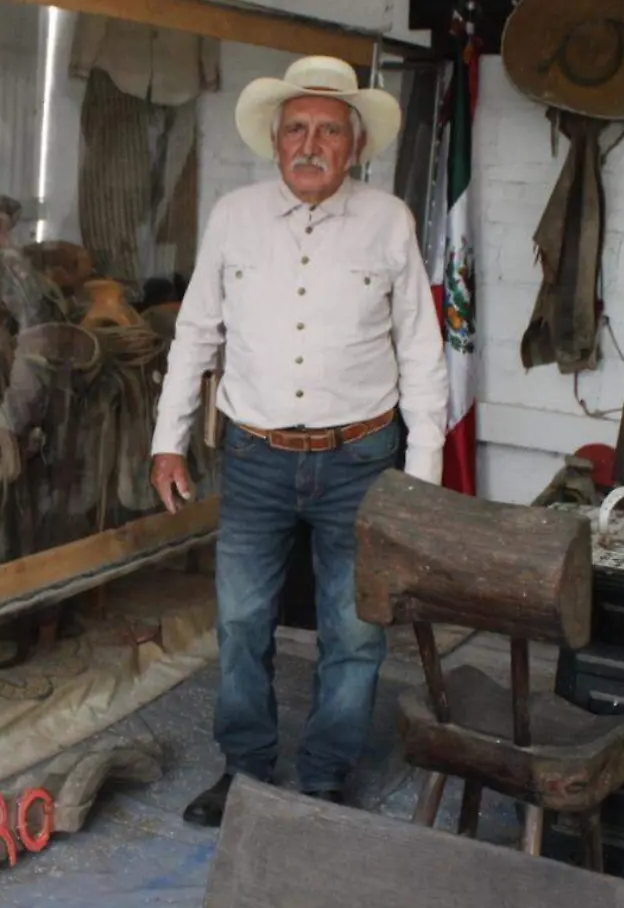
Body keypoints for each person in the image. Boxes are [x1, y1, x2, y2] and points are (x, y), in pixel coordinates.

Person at [147, 55, 450, 828]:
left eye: (327, 130)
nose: (310, 144)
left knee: (354, 630)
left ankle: (324, 780)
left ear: (353, 146)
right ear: (274, 142)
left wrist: (419, 477)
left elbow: (422, 352)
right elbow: (194, 337)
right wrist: (168, 441)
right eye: (296, 130)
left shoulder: (390, 222)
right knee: (243, 622)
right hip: (255, 458)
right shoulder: (234, 217)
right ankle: (244, 770)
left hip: (361, 461)